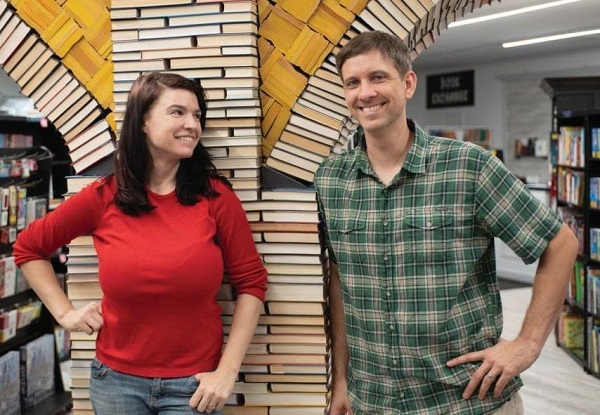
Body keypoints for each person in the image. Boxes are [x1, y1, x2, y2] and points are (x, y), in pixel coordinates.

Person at [314, 30, 578, 415]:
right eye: (352, 82)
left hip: (467, 400)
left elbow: (561, 242)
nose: (365, 92)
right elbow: (340, 281)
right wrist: (341, 380)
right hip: (374, 402)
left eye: (377, 77)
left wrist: (528, 343)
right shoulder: (331, 179)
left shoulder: (468, 166)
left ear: (407, 83)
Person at [13, 72, 268, 415]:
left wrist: (227, 371)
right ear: (143, 121)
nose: (192, 124)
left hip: (193, 387)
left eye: (197, 115)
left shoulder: (216, 197)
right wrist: (65, 314)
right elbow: (28, 248)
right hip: (116, 384)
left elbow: (251, 283)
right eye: (178, 112)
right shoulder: (104, 196)